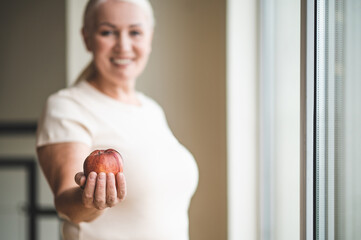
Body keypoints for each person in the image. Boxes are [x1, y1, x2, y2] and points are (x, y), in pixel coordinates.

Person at [36, 0, 199, 239]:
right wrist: (89, 201)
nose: (123, 46)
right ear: (87, 38)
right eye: (107, 32)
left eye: (135, 32)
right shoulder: (67, 106)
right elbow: (66, 202)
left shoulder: (152, 110)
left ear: (149, 37)